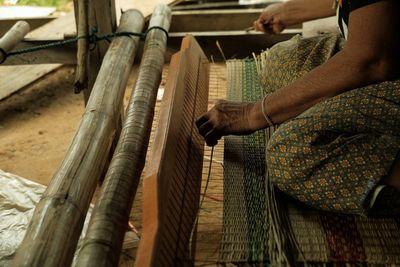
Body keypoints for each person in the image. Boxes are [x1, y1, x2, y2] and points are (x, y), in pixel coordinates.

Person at [196, 0, 400, 216]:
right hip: (382, 51)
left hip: (385, 63)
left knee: (289, 156)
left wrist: (252, 114)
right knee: (282, 62)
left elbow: (372, 61)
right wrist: (289, 11)